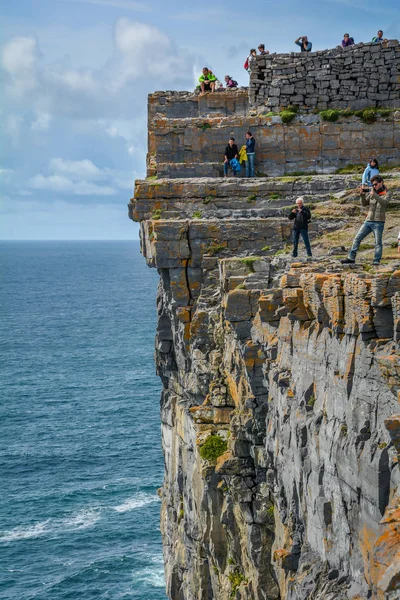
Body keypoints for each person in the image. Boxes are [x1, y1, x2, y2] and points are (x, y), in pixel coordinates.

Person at [341, 175, 392, 265]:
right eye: (373, 185)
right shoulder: (372, 192)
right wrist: (362, 195)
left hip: (379, 222)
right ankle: (351, 258)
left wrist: (374, 195)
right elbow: (364, 204)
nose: (374, 186)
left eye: (375, 184)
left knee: (378, 243)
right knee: (357, 238)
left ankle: (376, 261)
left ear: (381, 183)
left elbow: (384, 203)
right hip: (368, 220)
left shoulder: (388, 193)